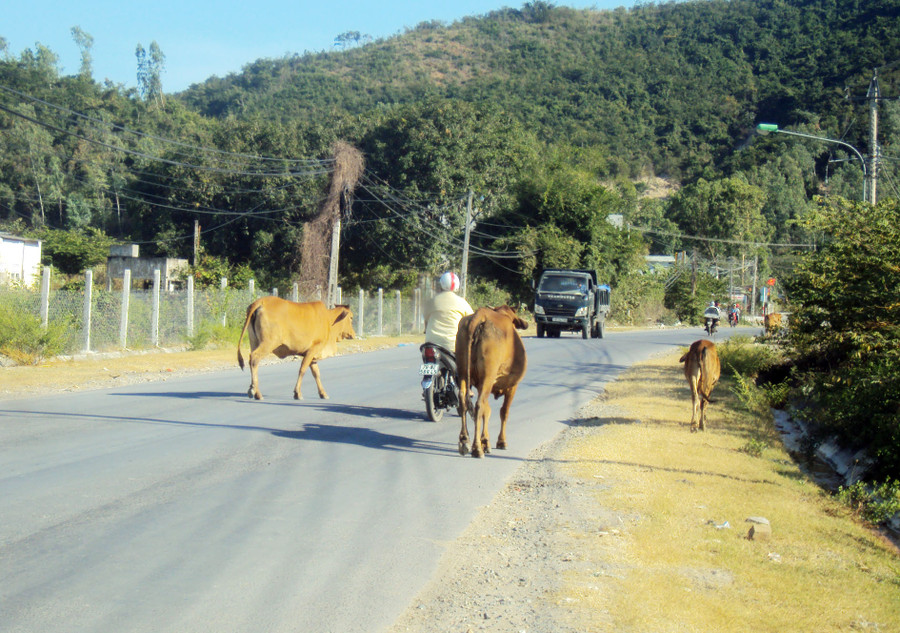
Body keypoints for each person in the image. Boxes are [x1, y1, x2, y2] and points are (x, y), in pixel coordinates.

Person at [424, 271, 474, 352]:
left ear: (441, 284)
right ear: (457, 286)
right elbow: (472, 320)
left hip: (430, 345)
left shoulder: (432, 301)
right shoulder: (462, 302)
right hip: (453, 346)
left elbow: (426, 319)